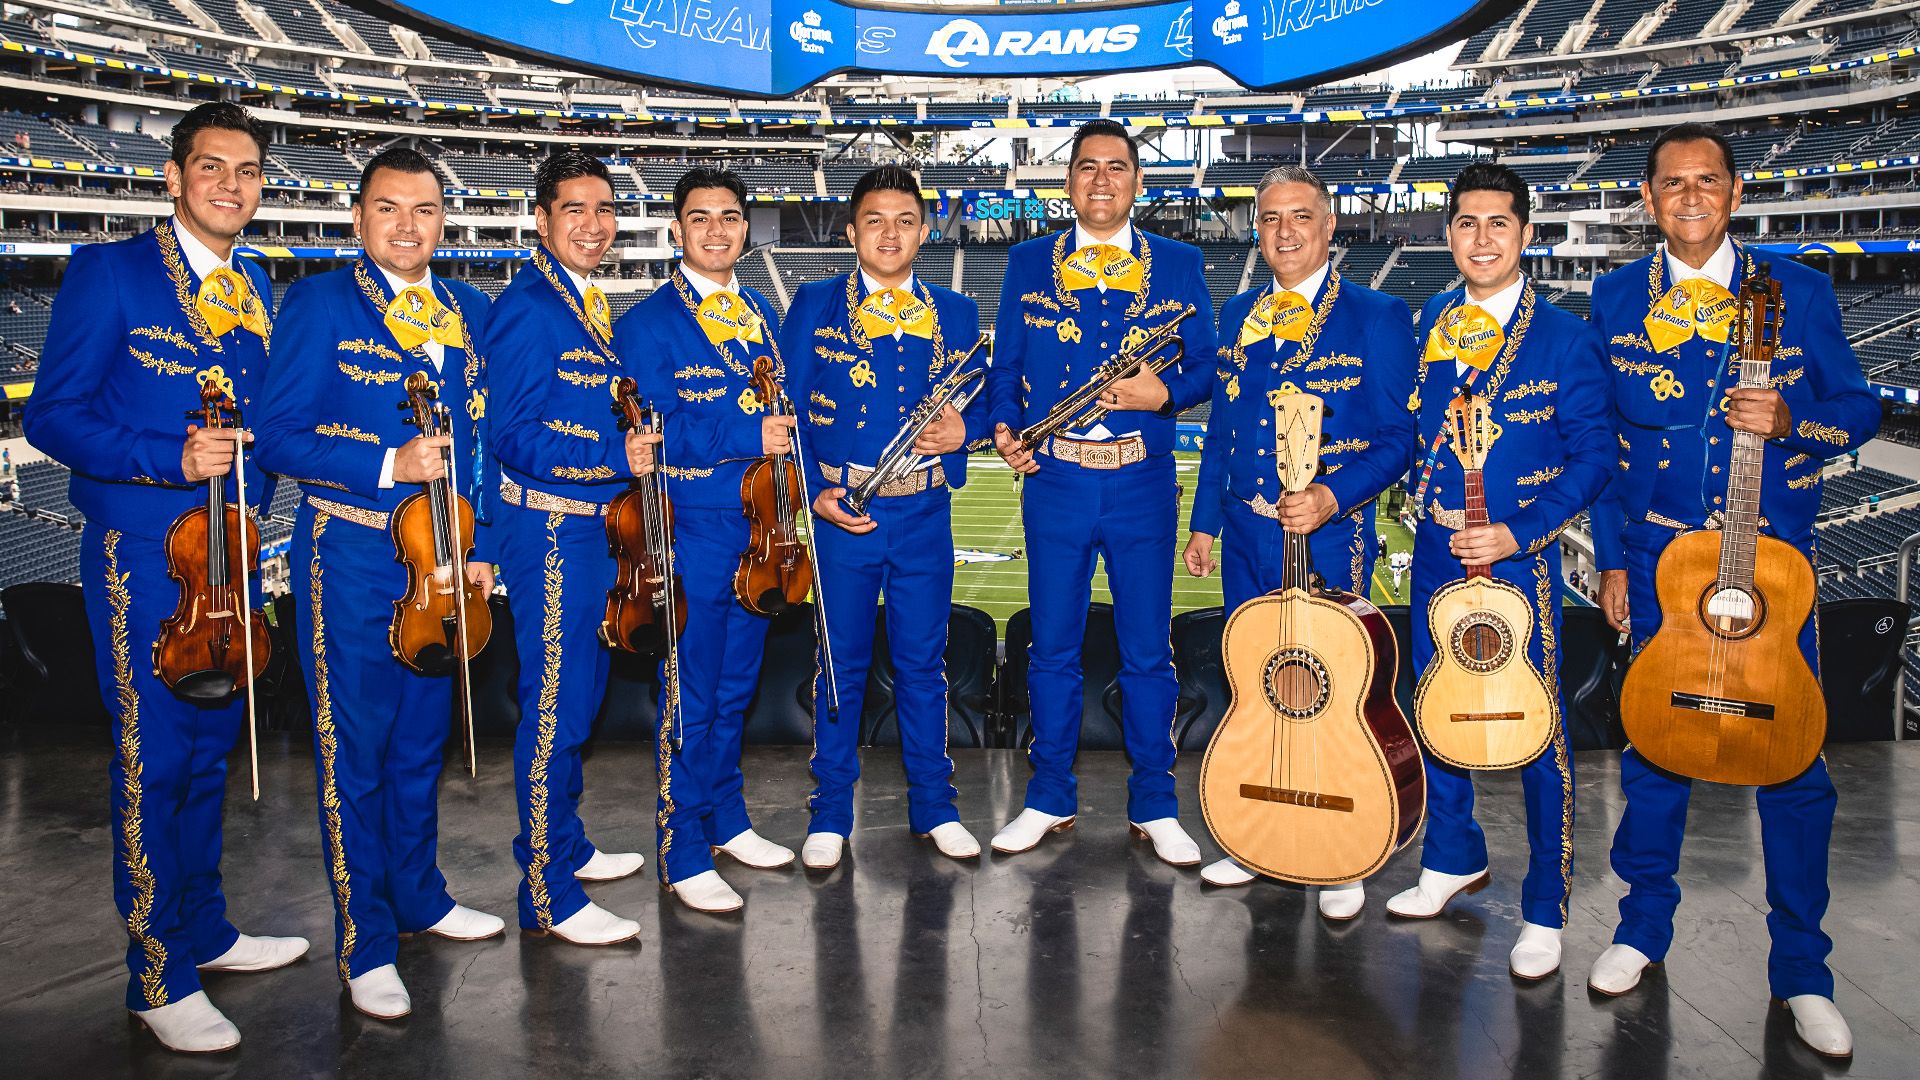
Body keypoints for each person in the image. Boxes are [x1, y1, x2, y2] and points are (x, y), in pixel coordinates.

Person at [1586, 123, 1878, 1058]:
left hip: (1773, 575)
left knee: (1794, 770)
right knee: (1655, 756)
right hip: (1663, 568)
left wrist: (1796, 420)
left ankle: (1802, 972)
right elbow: (1605, 447)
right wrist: (1614, 560)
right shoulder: (1614, 295)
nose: (1691, 197)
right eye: (1672, 184)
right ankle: (1640, 929)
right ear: (1648, 201)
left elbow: (1862, 408)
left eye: (1707, 180)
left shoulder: (1798, 290)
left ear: (1736, 192)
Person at [23, 101, 307, 1053]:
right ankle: (157, 972)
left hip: (234, 556)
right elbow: (51, 417)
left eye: (250, 170)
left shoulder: (259, 281)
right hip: (143, 552)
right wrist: (167, 457)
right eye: (214, 167)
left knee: (209, 748)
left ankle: (207, 928)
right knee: (155, 757)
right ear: (177, 176)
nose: (233, 185)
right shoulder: (110, 271)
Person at [254, 147, 502, 1020]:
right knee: (352, 754)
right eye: (389, 209)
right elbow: (276, 434)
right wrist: (385, 461)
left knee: (417, 747)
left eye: (426, 210)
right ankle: (364, 943)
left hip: (446, 561)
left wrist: (484, 545)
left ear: (444, 220)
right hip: (352, 556)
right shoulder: (318, 302)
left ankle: (421, 898)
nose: (408, 225)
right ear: (359, 219)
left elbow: (481, 439)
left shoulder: (469, 307)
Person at [1384, 162, 1612, 981]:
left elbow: (1594, 459)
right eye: (1467, 224)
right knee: (1435, 705)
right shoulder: (1432, 318)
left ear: (1525, 233)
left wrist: (1522, 532)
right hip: (1439, 548)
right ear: (1448, 234)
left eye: (1499, 224)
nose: (1482, 239)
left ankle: (1546, 906)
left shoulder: (1566, 336)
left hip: (1522, 560)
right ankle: (1450, 857)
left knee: (1536, 730)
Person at [1180, 164, 1416, 913]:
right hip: (1247, 538)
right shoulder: (1240, 309)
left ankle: (1339, 851)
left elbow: (1398, 438)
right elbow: (1221, 427)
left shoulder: (1376, 315)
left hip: (1331, 536)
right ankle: (1257, 834)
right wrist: (1204, 523)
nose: (1285, 232)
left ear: (1330, 226)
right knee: (1257, 687)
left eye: (1301, 217)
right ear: (1258, 228)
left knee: (1328, 687)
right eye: (1271, 218)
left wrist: (1330, 495)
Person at [984, 119, 1218, 865]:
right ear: (1069, 182)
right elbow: (1004, 370)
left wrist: (1162, 397)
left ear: (1139, 182)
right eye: (1087, 168)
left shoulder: (1179, 262)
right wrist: (1002, 426)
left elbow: (1209, 368)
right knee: (1050, 649)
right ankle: (1049, 795)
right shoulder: (1026, 261)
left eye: (1117, 168)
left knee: (1147, 650)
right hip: (1054, 482)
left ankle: (1156, 801)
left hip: (1141, 485)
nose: (1101, 180)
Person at [782, 165, 988, 870]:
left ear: (925, 231)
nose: (890, 233)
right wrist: (812, 494)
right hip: (844, 516)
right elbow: (789, 416)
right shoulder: (812, 303)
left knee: (924, 668)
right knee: (839, 666)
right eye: (875, 219)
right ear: (851, 231)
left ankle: (935, 806)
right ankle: (830, 811)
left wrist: (967, 432)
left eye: (905, 220)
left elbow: (986, 404)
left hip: (926, 512)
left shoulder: (957, 311)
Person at [487, 151, 660, 945]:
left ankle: (566, 843)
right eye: (574, 210)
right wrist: (613, 455)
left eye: (603, 209)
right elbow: (515, 436)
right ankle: (546, 890)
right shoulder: (528, 307)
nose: (592, 226)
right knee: (555, 709)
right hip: (551, 526)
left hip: (588, 527)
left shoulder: (582, 302)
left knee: (580, 699)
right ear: (542, 220)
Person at [612, 167, 795, 913]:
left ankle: (725, 817)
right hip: (692, 528)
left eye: (729, 216)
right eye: (700, 218)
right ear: (676, 230)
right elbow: (648, 434)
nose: (716, 230)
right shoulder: (648, 323)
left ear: (746, 228)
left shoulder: (756, 308)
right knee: (689, 695)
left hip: (760, 529)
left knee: (734, 689)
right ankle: (681, 846)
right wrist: (744, 433)